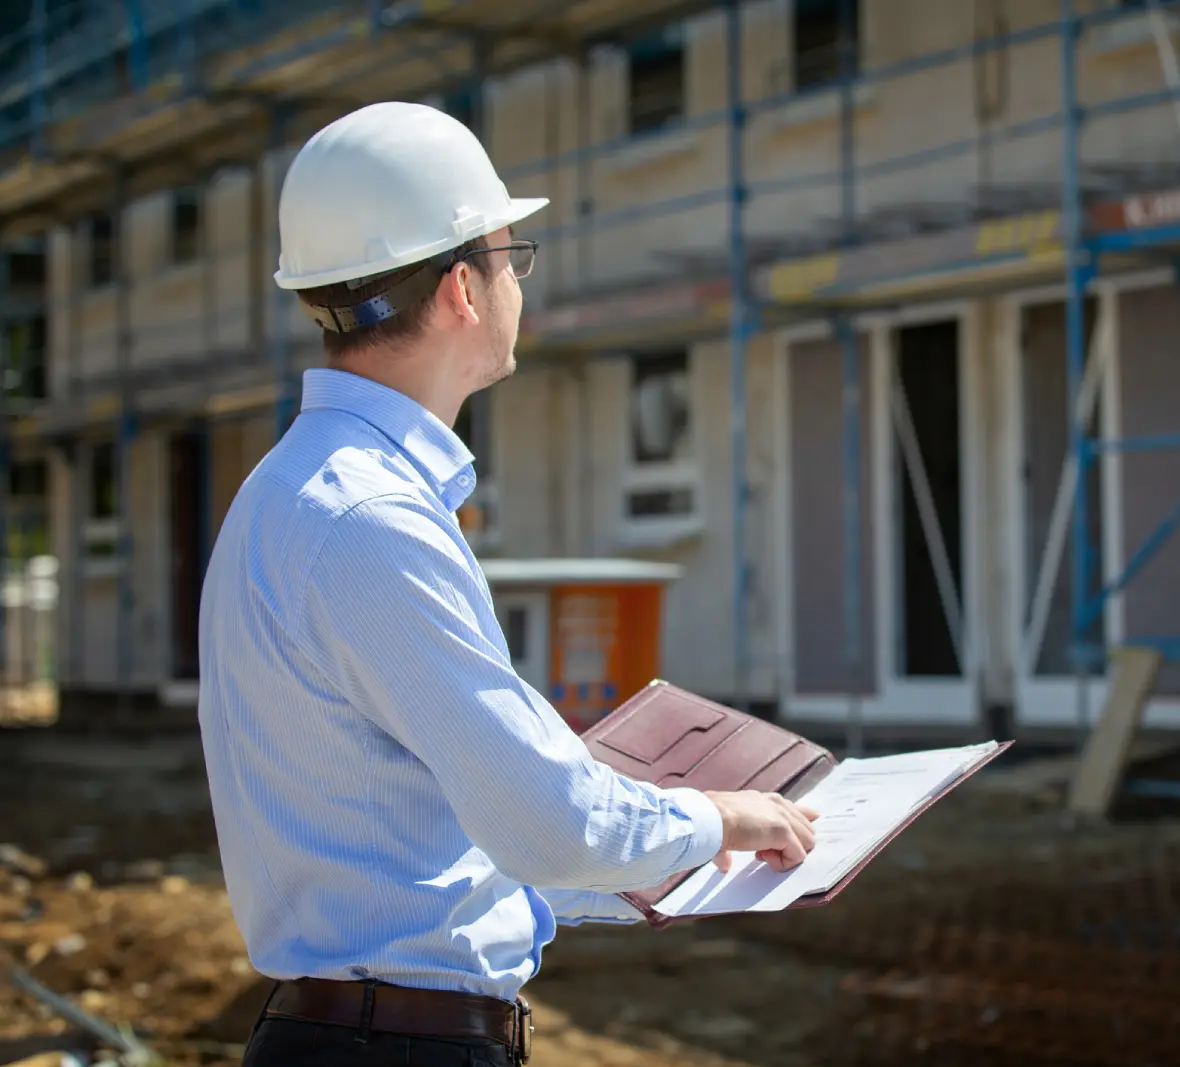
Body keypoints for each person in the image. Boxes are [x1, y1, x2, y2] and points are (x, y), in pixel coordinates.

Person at [197, 101, 819, 1067]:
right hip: (398, 1049)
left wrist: (655, 851)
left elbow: (444, 832)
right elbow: (545, 819)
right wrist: (724, 814)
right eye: (510, 256)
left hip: (353, 1034)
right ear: (460, 288)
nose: (517, 281)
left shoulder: (291, 497)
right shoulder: (372, 522)